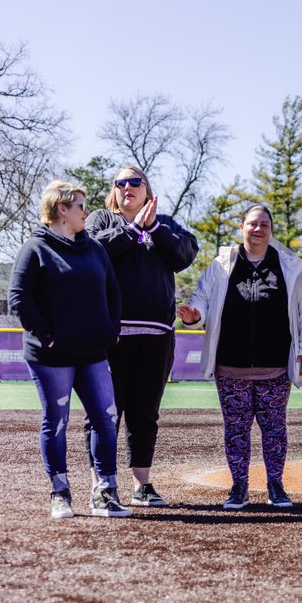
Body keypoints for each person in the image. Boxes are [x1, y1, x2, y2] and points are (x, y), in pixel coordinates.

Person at [176, 205, 302, 510]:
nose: (258, 229)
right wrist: (193, 315)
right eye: (253, 224)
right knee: (236, 430)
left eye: (264, 224)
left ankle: (275, 486)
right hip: (231, 367)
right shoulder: (221, 265)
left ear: (271, 230)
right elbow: (200, 299)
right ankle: (239, 486)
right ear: (241, 226)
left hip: (277, 367)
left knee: (275, 430)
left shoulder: (289, 266)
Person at [9, 181, 129, 518]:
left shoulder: (94, 249)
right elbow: (19, 297)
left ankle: (105, 492)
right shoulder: (35, 248)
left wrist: (111, 330)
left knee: (106, 418)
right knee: (56, 422)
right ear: (62, 209)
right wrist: (47, 335)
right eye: (80, 206)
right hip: (52, 356)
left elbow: (113, 291)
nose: (85, 212)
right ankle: (60, 493)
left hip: (93, 353)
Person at [85, 165, 198, 506]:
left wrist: (154, 228)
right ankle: (102, 485)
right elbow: (94, 251)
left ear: (147, 190)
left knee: (144, 413)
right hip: (111, 336)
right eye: (121, 183)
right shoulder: (102, 220)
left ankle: (142, 486)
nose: (128, 187)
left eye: (135, 182)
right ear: (114, 191)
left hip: (157, 336)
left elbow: (186, 254)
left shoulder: (165, 223)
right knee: (104, 413)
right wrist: (134, 229)